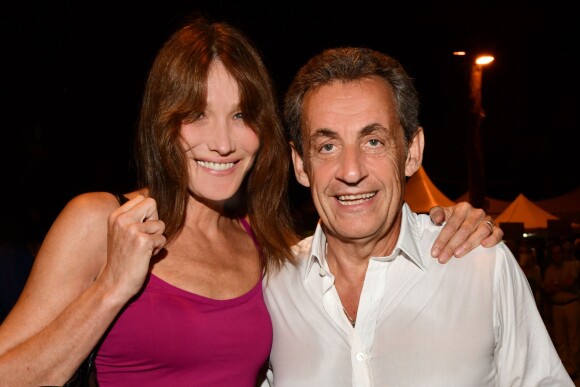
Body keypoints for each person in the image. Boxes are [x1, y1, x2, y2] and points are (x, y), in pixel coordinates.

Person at [0, 16, 502, 386]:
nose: (222, 142)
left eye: (241, 115)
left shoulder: (268, 248)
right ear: (165, 124)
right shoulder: (101, 220)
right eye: (197, 114)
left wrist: (448, 223)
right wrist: (110, 288)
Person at [263, 46, 572, 386]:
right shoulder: (272, 286)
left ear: (412, 152)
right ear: (300, 165)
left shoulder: (480, 266)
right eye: (327, 146)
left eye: (374, 142)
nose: (351, 172)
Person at [543, 239, 580, 378]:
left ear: (563, 254)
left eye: (559, 253)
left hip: (571, 305)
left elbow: (570, 283)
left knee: (574, 337)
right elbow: (546, 288)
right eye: (554, 254)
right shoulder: (549, 270)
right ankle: (565, 367)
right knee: (559, 339)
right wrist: (559, 284)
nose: (556, 256)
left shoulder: (573, 265)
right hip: (556, 307)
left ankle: (574, 367)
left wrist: (555, 284)